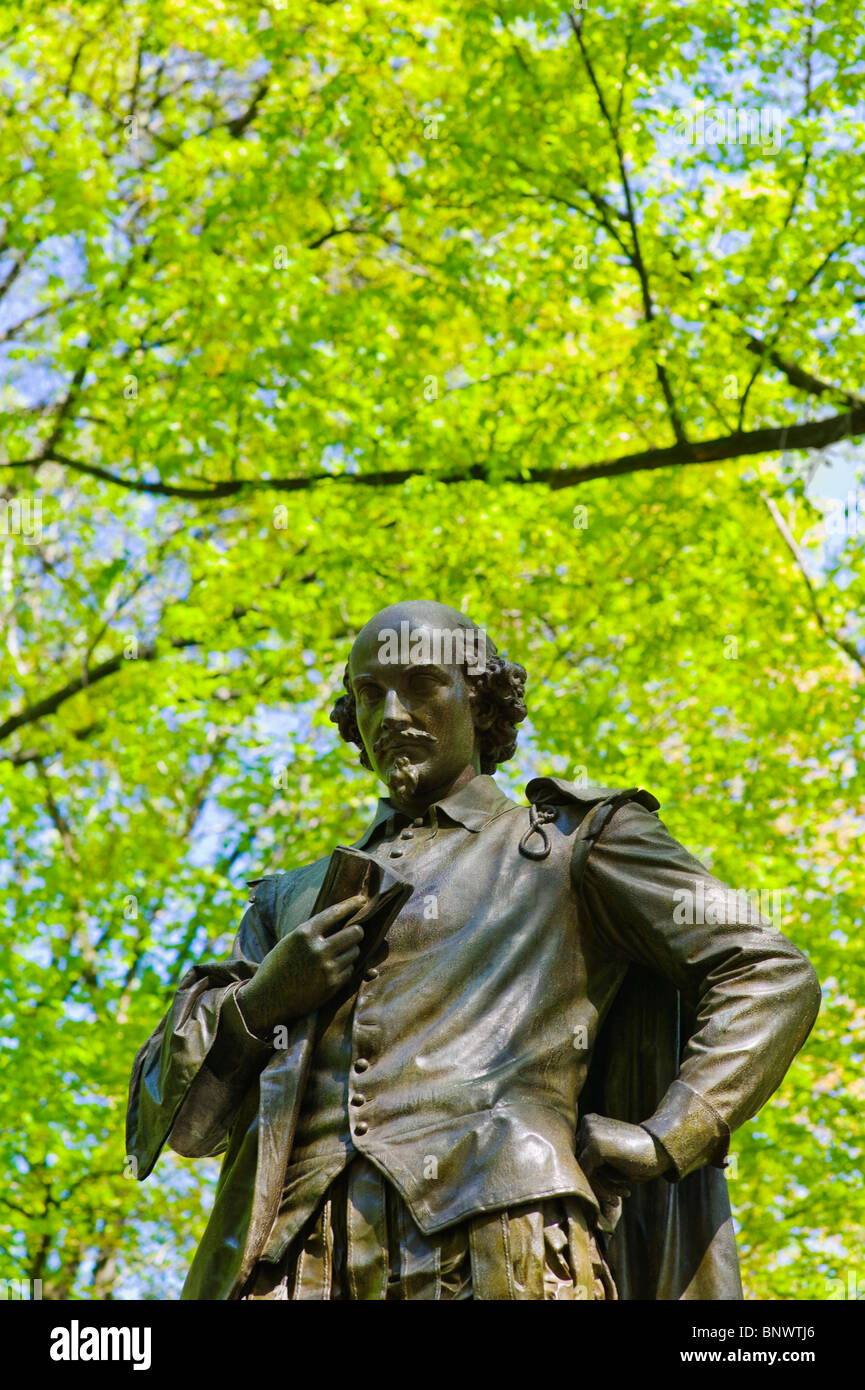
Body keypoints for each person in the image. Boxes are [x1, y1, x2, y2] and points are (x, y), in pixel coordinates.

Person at [127, 600, 821, 1300]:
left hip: (499, 1240)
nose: (392, 713)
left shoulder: (575, 844)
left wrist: (667, 1135)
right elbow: (180, 1124)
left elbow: (767, 970)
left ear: (480, 701)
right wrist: (266, 997)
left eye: (421, 684)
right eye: (370, 694)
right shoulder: (288, 900)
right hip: (294, 1261)